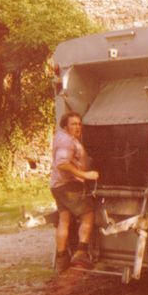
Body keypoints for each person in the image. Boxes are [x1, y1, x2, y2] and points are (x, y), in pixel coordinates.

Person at [50, 111, 99, 273]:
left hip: (57, 186)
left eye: (79, 124)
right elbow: (62, 164)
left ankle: (62, 258)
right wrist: (85, 175)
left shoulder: (61, 136)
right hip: (69, 186)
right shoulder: (67, 141)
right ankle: (81, 253)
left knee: (64, 220)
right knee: (88, 214)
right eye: (73, 124)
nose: (78, 127)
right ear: (65, 126)